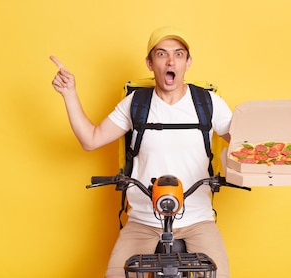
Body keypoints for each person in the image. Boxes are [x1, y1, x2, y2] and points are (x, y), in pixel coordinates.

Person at [50, 26, 234, 278]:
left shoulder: (208, 103)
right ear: (149, 63)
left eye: (179, 54)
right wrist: (69, 93)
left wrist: (272, 151)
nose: (171, 60)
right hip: (143, 222)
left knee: (219, 275)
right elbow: (91, 140)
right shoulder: (136, 103)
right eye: (161, 54)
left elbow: (242, 145)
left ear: (188, 62)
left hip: (197, 221)